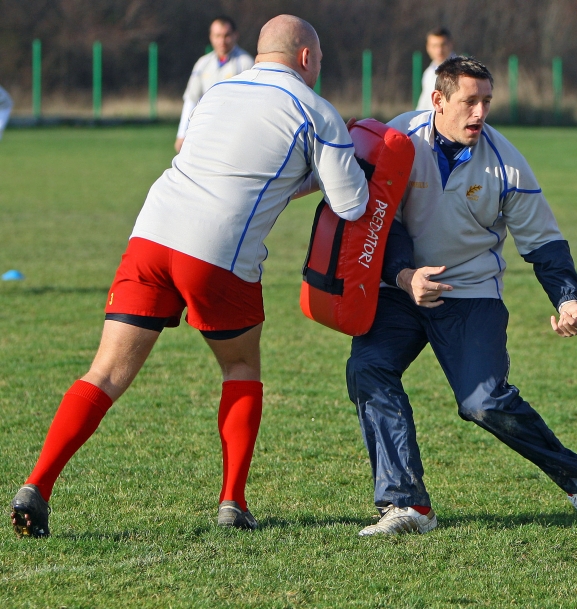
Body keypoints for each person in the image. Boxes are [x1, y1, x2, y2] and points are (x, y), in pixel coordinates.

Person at [11, 14, 369, 538]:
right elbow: (352, 202)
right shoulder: (318, 112)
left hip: (152, 233)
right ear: (307, 58)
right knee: (241, 366)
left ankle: (37, 484)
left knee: (105, 372)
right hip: (217, 252)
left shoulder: (218, 91)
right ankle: (232, 502)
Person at [347, 55, 577, 536]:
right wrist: (405, 275)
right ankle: (408, 506)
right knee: (368, 370)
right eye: (469, 101)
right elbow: (376, 222)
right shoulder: (398, 139)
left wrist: (567, 299)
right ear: (438, 100)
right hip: (400, 289)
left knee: (484, 402)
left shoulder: (507, 163)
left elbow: (545, 243)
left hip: (471, 292)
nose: (480, 113)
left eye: (486, 101)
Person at [174, 16, 254, 153]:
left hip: (233, 134)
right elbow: (191, 99)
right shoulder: (202, 64)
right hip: (204, 131)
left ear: (235, 36)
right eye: (217, 36)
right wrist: (182, 134)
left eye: (226, 35)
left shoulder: (246, 63)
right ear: (211, 37)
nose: (222, 41)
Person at [415, 27, 454, 111]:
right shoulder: (428, 73)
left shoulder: (460, 71)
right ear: (428, 47)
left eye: (443, 45)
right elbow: (424, 104)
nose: (439, 50)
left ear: (450, 44)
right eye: (434, 46)